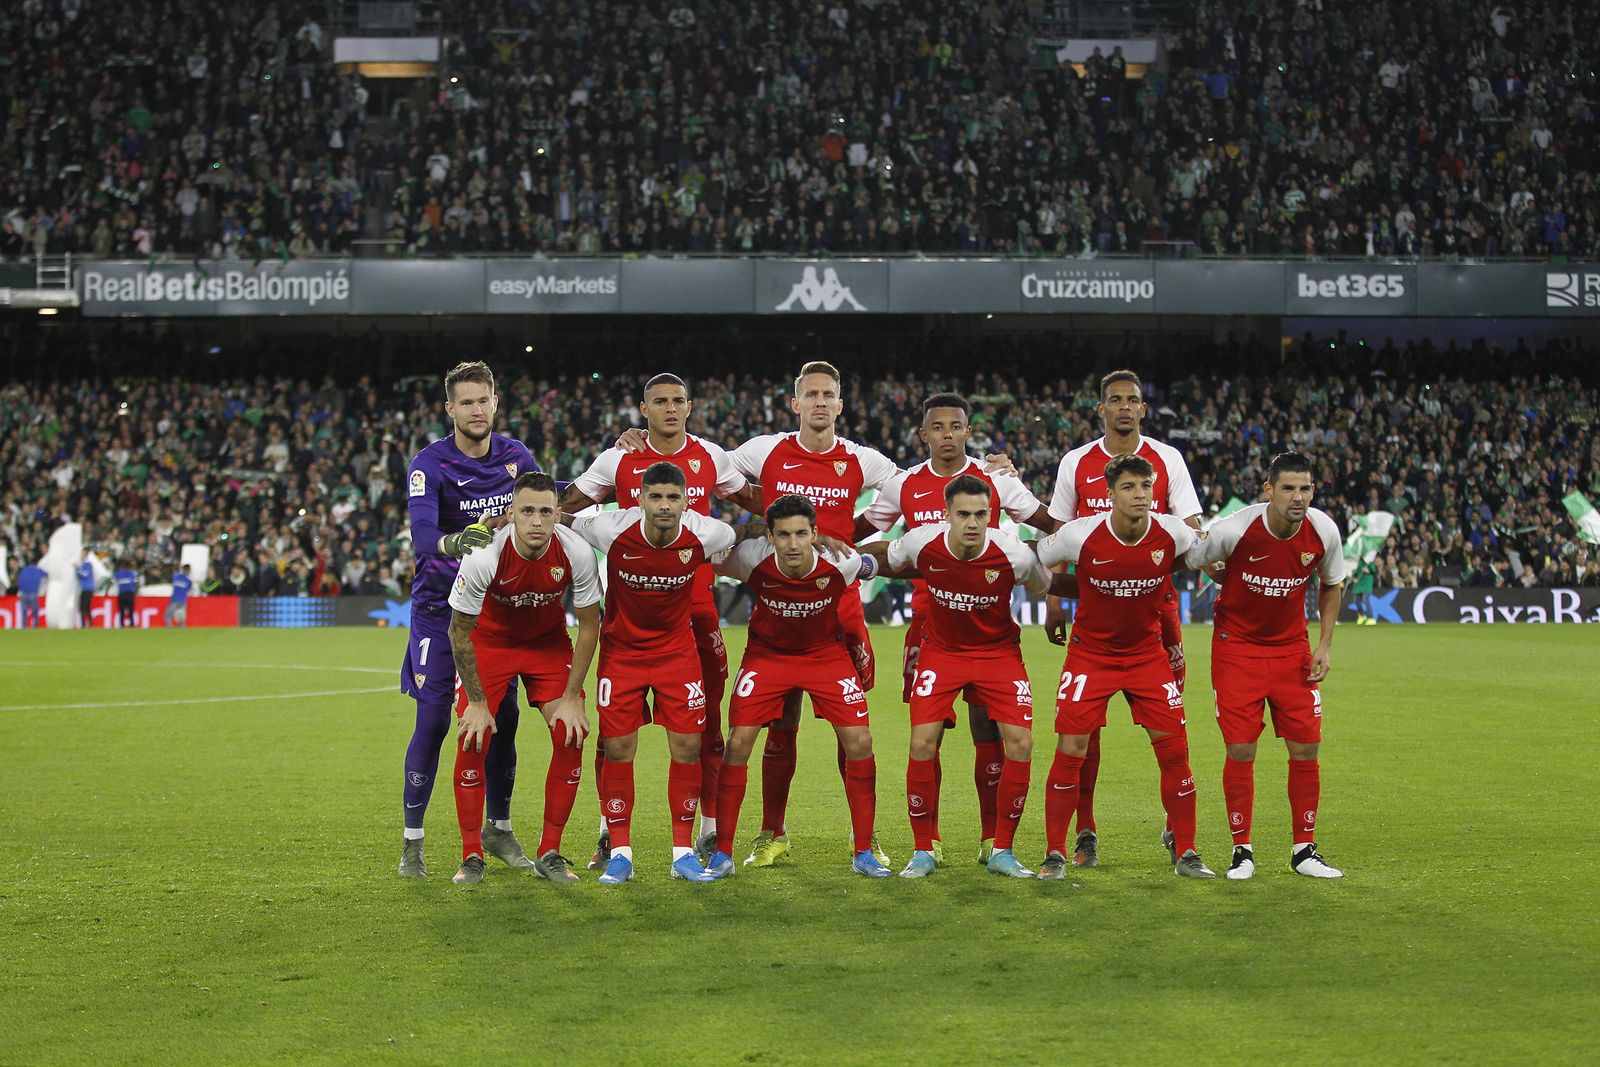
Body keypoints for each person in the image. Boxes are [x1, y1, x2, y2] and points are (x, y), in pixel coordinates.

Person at [560, 372, 763, 871]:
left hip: (695, 611)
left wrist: (799, 516)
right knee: (614, 734)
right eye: (660, 402)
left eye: (678, 401)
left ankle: (708, 834)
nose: (670, 409)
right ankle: (610, 837)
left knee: (704, 725)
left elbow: (750, 504)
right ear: (643, 408)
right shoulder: (618, 458)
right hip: (630, 616)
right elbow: (569, 505)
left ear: (689, 407)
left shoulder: (712, 456)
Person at [858, 393, 1052, 866]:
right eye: (938, 427)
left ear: (969, 431)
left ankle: (993, 841)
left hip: (989, 628)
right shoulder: (903, 485)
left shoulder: (998, 480)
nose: (947, 434)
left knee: (989, 730)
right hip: (930, 627)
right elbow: (863, 531)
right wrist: (805, 538)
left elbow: (1047, 523)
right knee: (929, 736)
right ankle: (931, 843)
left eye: (956, 426)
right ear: (924, 435)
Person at [1043, 369, 1203, 869]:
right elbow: (1055, 536)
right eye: (1116, 400)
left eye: (1133, 399)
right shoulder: (1077, 463)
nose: (1125, 407)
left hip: (1157, 614)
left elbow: (1193, 534)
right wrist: (1053, 600)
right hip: (1096, 609)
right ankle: (1082, 832)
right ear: (1102, 409)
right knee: (1081, 736)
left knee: (1172, 737)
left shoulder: (1167, 459)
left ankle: (1181, 834)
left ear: (1143, 408)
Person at [398, 361, 539, 879]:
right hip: (439, 612)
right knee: (435, 722)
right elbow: (421, 535)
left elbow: (549, 496)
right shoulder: (428, 465)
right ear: (449, 409)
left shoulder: (515, 456)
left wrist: (613, 472)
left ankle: (498, 829)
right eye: (467, 402)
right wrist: (456, 542)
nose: (477, 410)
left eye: (485, 401)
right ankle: (413, 842)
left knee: (504, 722)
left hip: (494, 615)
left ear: (494, 403)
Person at [707, 494, 890, 878]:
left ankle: (863, 850)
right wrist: (739, 532)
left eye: (801, 534)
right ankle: (722, 853)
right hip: (768, 656)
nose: (793, 544)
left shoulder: (843, 562)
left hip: (824, 655)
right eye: (784, 535)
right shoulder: (749, 558)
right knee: (738, 742)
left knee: (860, 742)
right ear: (769, 537)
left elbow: (886, 561)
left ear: (815, 534)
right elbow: (700, 550)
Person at [1184, 452, 1346, 880]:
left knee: (1307, 747)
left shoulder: (1323, 530)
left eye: (1305, 488)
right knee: (1241, 749)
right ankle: (1242, 851)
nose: (1298, 497)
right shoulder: (1234, 530)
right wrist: (1222, 572)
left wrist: (1325, 645)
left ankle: (1304, 850)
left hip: (1292, 648)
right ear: (1268, 490)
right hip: (1237, 648)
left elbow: (1332, 585)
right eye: (1288, 488)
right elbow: (1194, 560)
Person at [447, 473, 602, 886]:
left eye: (546, 512)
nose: (537, 521)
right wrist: (478, 704)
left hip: (546, 645)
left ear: (558, 514)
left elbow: (589, 626)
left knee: (571, 732)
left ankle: (550, 852)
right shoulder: (484, 556)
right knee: (473, 735)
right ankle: (471, 854)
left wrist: (571, 696)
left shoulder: (577, 553)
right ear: (511, 514)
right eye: (527, 511)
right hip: (491, 644)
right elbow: (459, 631)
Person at [17, 559, 47, 628]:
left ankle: (24, 627)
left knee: (24, 612)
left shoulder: (24, 570)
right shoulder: (38, 570)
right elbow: (47, 575)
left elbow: (19, 581)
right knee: (35, 611)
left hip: (23, 593)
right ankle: (35, 626)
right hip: (33, 593)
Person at [166, 564, 193, 628]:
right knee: (181, 618)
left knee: (168, 615)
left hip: (175, 600)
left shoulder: (176, 577)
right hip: (182, 600)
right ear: (188, 570)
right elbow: (189, 589)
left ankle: (170, 629)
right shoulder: (189, 581)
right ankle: (181, 631)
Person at [113, 562, 139, 628]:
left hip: (122, 594)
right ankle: (132, 624)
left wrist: (106, 592)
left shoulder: (118, 573)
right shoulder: (132, 573)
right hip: (130, 594)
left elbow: (112, 582)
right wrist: (136, 592)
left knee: (122, 610)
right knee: (131, 610)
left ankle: (122, 624)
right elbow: (136, 583)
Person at [76, 550, 96, 629]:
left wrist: (76, 568)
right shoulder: (85, 564)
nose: (81, 555)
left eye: (82, 553)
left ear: (86, 554)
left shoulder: (87, 564)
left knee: (83, 607)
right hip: (86, 588)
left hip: (87, 588)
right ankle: (88, 624)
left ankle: (84, 625)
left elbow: (85, 574)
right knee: (86, 608)